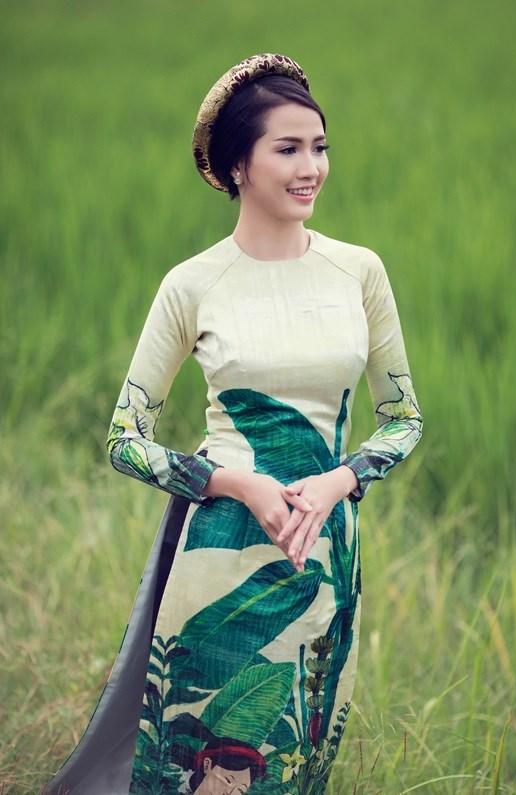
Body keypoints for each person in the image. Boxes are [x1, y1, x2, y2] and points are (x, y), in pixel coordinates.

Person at [43, 52, 423, 794]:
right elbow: (124, 439)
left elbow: (403, 419)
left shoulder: (359, 273)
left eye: (319, 147)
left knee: (294, 762)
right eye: (288, 149)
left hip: (323, 553)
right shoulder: (193, 284)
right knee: (202, 767)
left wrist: (341, 479)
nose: (311, 167)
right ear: (238, 166)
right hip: (219, 559)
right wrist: (236, 483)